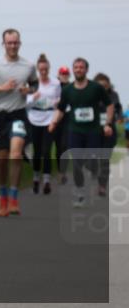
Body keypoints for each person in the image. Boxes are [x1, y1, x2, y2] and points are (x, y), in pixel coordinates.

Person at [0, 28, 38, 217]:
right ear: (3, 44)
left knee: (16, 153)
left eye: (15, 42)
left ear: (20, 43)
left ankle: (14, 197)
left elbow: (35, 84)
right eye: (9, 42)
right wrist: (1, 87)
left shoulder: (28, 66)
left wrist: (29, 90)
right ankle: (2, 194)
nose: (12, 46)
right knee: (2, 160)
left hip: (18, 115)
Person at [48, 59, 113, 206]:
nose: (78, 70)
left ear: (86, 70)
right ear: (73, 70)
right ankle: (80, 192)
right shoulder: (67, 90)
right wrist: (53, 122)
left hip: (93, 131)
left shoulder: (96, 88)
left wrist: (108, 124)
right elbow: (61, 109)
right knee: (76, 162)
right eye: (76, 67)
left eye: (81, 67)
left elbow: (109, 105)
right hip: (75, 130)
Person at [25, 54, 62, 195]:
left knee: (47, 152)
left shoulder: (56, 83)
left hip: (49, 119)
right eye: (41, 69)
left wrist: (57, 103)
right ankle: (36, 178)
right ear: (37, 69)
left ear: (49, 68)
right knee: (37, 152)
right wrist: (33, 98)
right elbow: (25, 103)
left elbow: (60, 100)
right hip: (34, 118)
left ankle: (46, 181)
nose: (44, 72)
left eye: (46, 69)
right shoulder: (32, 84)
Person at [94, 73, 121, 197]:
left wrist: (119, 116)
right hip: (94, 131)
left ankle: (102, 186)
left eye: (105, 85)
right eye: (100, 86)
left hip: (109, 131)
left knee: (104, 159)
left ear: (109, 85)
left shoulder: (113, 95)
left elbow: (117, 107)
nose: (103, 88)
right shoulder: (91, 95)